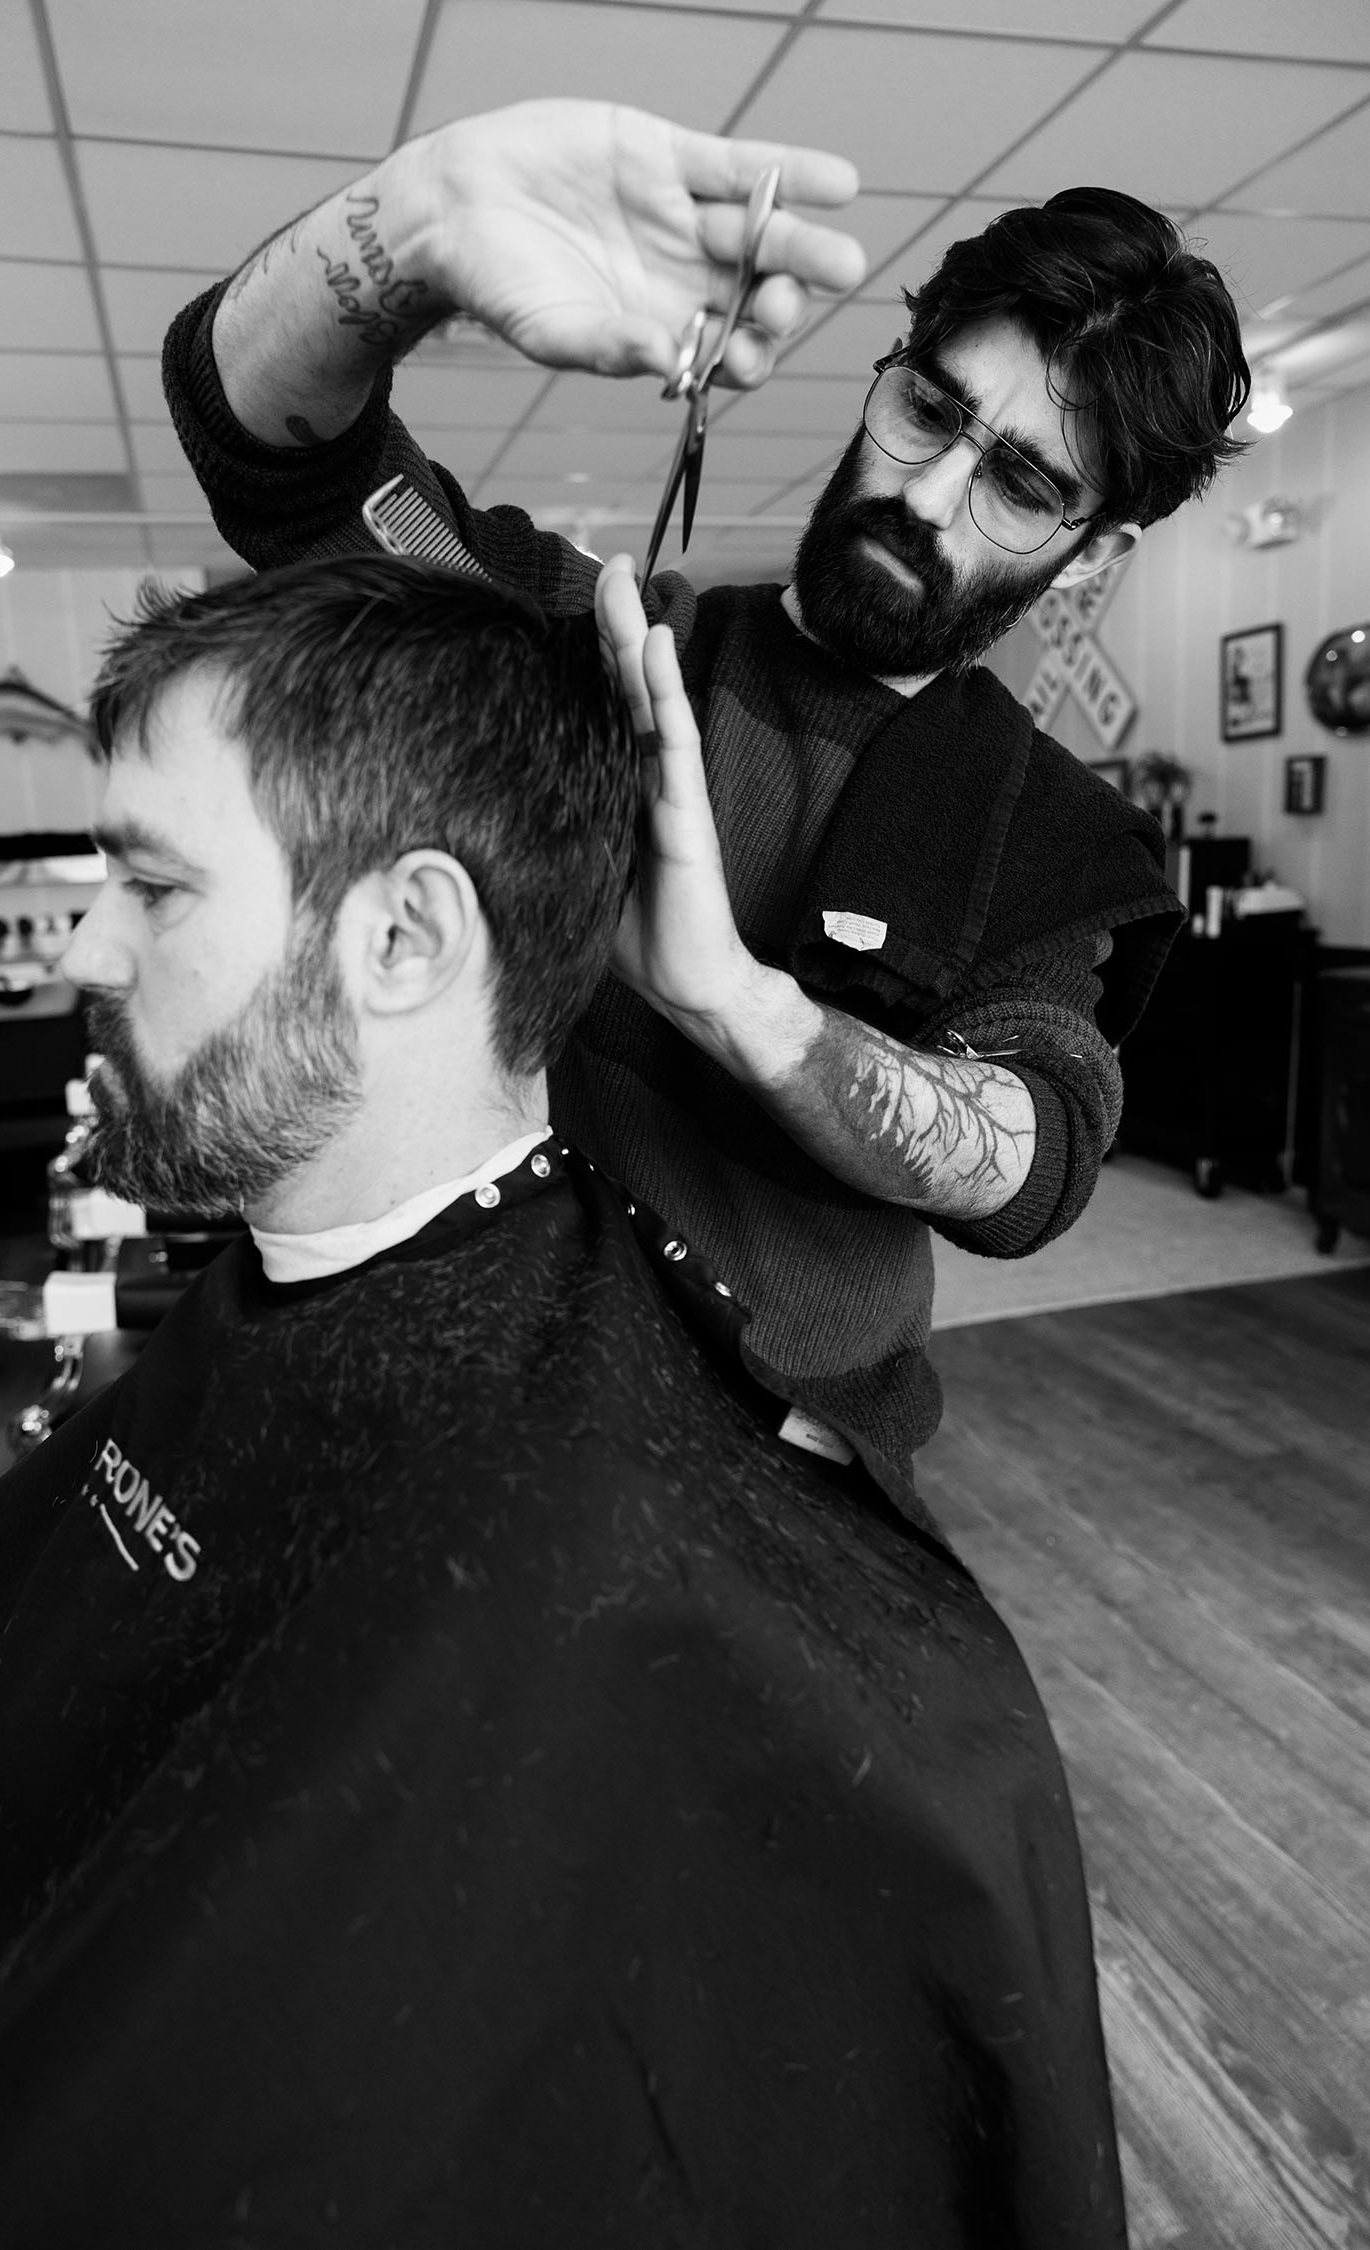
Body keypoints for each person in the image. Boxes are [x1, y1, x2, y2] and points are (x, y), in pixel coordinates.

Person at [0, 558, 1127, 2246]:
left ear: (404, 936)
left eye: (152, 884)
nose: (88, 936)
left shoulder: (597, 1538)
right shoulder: (280, 1301)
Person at [164, 97, 1251, 1524]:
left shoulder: (1046, 833)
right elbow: (273, 451)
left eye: (1021, 484)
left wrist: (742, 1007)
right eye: (930, 410)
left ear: (1093, 548)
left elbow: (1032, 1158)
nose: (927, 494)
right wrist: (410, 231)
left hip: (773, 1498)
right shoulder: (579, 647)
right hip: (458, 1423)